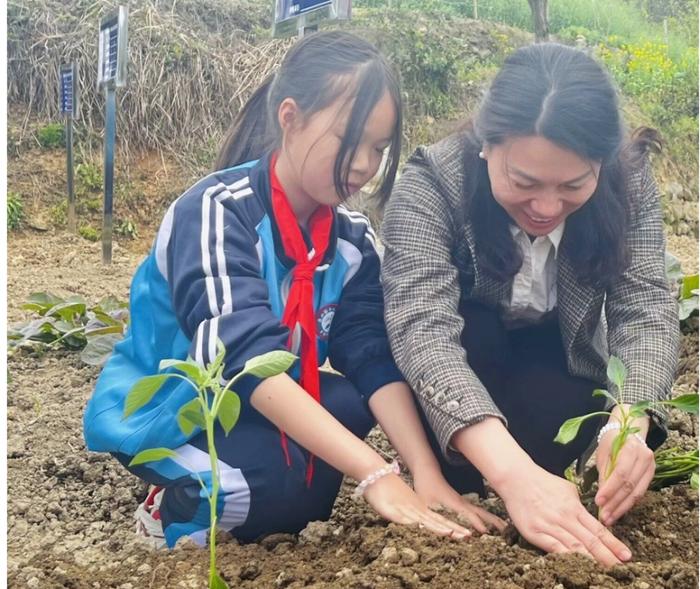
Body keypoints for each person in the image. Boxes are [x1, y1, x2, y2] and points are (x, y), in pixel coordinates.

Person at [83, 31, 504, 550]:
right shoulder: (217, 212)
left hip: (260, 402)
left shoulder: (350, 239)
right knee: (243, 491)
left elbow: (371, 353)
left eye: (377, 147)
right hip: (174, 409)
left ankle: (277, 483)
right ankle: (168, 503)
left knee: (349, 409)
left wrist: (422, 472)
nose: (363, 165)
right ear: (290, 118)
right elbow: (244, 357)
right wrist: (375, 474)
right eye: (348, 140)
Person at [381, 42, 679, 568]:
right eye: (523, 182)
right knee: (478, 445)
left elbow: (646, 307)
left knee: (557, 447)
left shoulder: (628, 183)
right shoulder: (431, 186)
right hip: (469, 359)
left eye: (573, 185)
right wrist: (512, 476)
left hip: (558, 360)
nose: (546, 206)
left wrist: (629, 421)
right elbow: (422, 332)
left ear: (602, 165)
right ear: (485, 145)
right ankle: (482, 463)